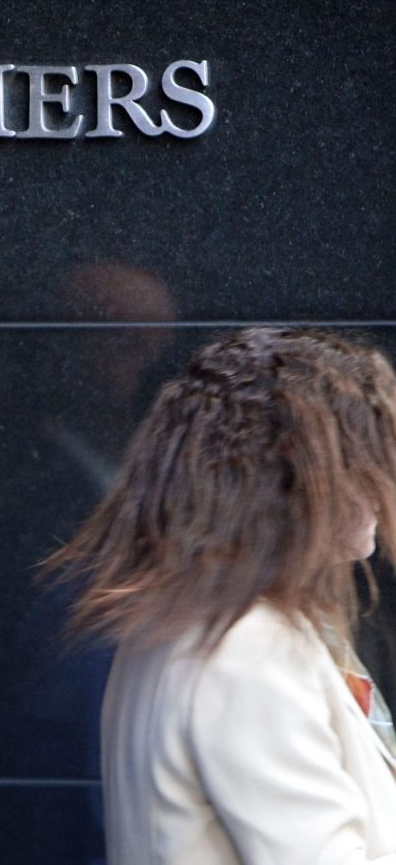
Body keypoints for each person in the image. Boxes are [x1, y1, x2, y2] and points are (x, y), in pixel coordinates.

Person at [45, 327, 396, 864]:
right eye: (362, 453)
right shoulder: (250, 647)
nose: (382, 478)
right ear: (293, 474)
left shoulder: (180, 622)